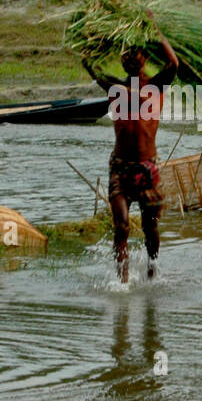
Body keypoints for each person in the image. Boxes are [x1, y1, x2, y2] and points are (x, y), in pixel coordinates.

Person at [82, 17, 180, 282]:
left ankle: (151, 270)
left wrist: (155, 30)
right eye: (125, 56)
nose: (130, 60)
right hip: (121, 168)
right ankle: (122, 281)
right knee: (122, 226)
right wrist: (92, 38)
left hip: (148, 167)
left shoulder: (156, 86)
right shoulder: (115, 87)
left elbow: (174, 63)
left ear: (145, 58)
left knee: (150, 228)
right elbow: (89, 65)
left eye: (135, 55)